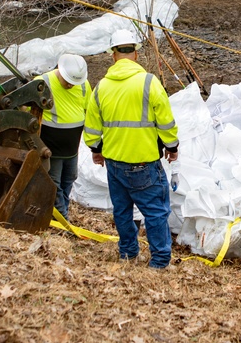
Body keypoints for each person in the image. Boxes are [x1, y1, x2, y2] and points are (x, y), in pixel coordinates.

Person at [84, 29, 179, 269]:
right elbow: (166, 121)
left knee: (122, 211)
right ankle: (159, 261)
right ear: (135, 53)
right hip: (143, 163)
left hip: (114, 163)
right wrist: (172, 146)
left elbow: (92, 126)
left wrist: (96, 150)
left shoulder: (102, 86)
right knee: (155, 213)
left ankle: (127, 254)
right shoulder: (149, 82)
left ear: (113, 55)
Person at [36, 53, 90, 221]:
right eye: (68, 81)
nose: (70, 85)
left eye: (74, 82)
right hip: (51, 145)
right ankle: (60, 218)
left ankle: (59, 212)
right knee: (54, 182)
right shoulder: (42, 83)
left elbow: (89, 109)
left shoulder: (82, 85)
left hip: (72, 146)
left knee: (70, 178)